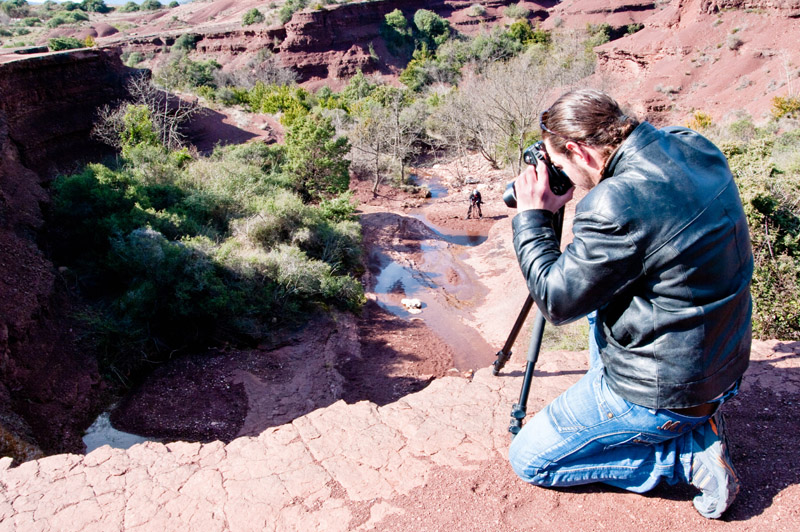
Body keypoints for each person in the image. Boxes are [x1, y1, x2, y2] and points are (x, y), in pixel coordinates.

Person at [507, 89, 753, 519]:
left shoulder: (614, 203)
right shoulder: (691, 143)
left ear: (580, 151)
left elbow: (556, 302)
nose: (562, 174)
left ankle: (683, 459)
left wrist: (532, 217)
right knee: (602, 289)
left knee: (529, 460)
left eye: (561, 165)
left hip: (667, 391)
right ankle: (690, 423)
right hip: (723, 356)